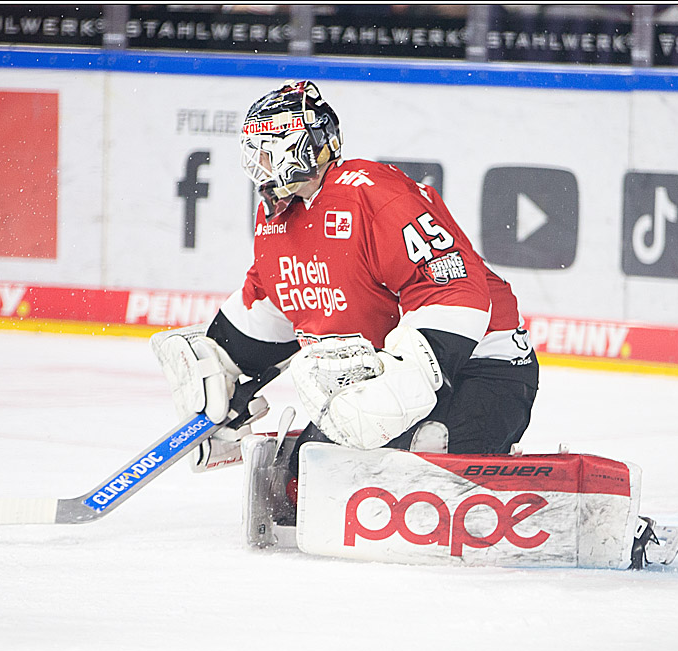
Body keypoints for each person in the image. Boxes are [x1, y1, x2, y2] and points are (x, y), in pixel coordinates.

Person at [151, 79, 539, 526]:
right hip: (394, 379)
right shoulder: (276, 217)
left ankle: (503, 479)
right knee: (301, 485)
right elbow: (277, 300)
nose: (256, 163)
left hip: (484, 369)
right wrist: (223, 383)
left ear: (303, 146)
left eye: (266, 148)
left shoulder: (372, 193)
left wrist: (405, 376)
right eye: (252, 151)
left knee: (421, 464)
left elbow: (452, 288)